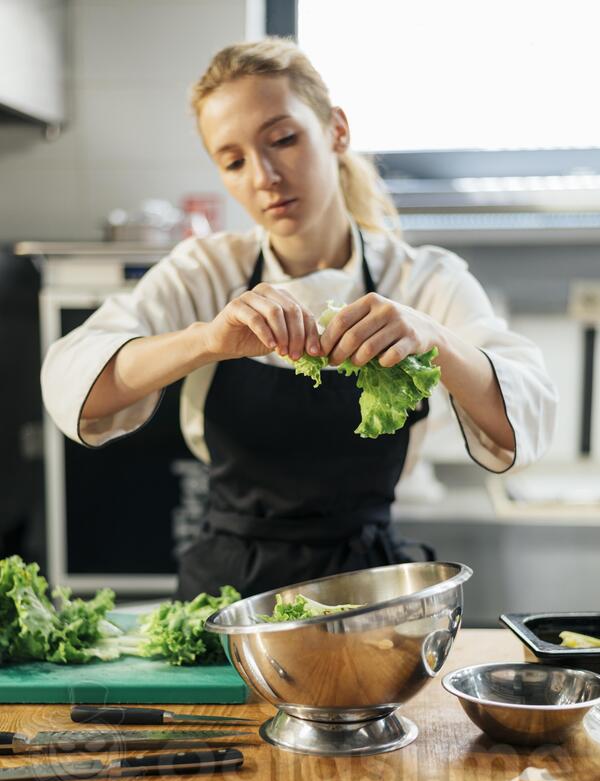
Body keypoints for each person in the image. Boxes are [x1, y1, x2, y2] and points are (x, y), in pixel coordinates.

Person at [41, 37, 557, 600]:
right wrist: (206, 341)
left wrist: (435, 340)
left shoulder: (424, 279)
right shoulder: (207, 271)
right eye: (234, 161)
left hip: (369, 595)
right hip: (230, 599)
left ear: (337, 130)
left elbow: (524, 418)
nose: (263, 176)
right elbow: (77, 383)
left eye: (282, 139)